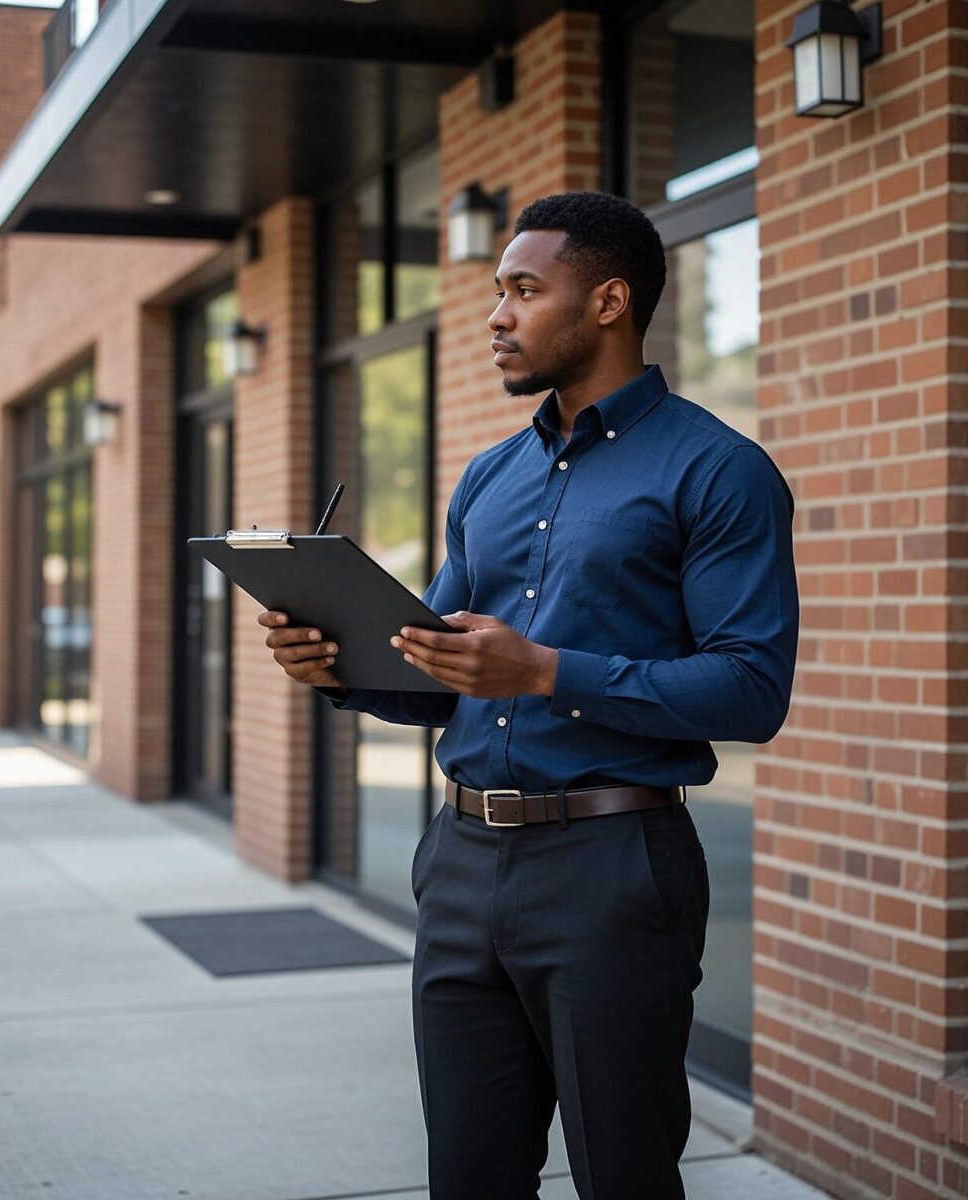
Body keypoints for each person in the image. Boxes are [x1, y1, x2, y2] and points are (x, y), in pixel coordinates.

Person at [258, 190, 798, 1200]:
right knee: (468, 1175)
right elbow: (446, 674)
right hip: (460, 865)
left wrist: (545, 670)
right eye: (496, 292)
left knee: (622, 1176)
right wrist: (338, 665)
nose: (495, 316)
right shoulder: (487, 478)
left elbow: (751, 689)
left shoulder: (720, 471)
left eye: (522, 290)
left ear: (607, 301)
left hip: (615, 869)